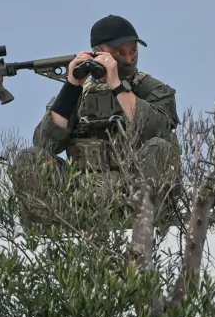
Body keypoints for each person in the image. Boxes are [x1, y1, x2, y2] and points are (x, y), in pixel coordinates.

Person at [13, 15, 180, 190]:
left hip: (136, 195)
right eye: (119, 53)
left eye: (133, 52)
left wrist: (117, 85)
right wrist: (71, 87)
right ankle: (49, 217)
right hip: (83, 196)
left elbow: (158, 133)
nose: (128, 59)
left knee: (160, 148)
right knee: (30, 157)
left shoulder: (153, 90)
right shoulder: (80, 94)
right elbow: (45, 144)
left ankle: (146, 216)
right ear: (98, 52)